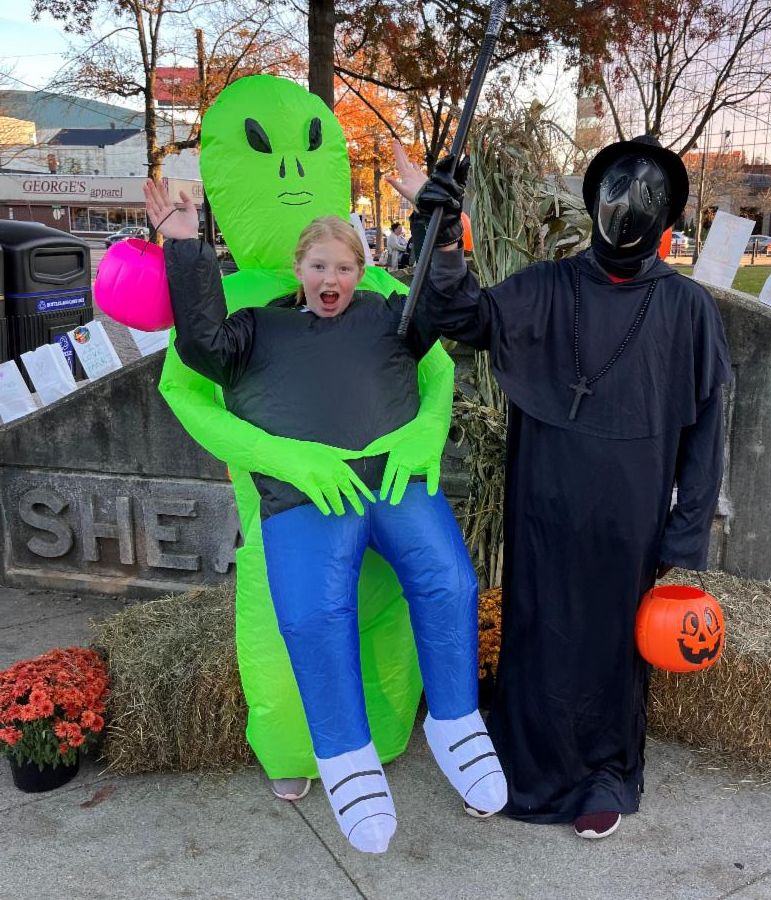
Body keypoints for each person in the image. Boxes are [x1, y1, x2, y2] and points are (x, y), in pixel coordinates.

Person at [145, 184, 507, 854]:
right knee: (314, 614)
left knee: (450, 583)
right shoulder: (258, 327)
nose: (331, 279)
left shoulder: (388, 315)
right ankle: (345, 756)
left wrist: (437, 225)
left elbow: (443, 311)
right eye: (319, 267)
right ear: (298, 269)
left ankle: (456, 723)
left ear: (359, 270)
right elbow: (199, 347)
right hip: (306, 498)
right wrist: (185, 244)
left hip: (394, 482)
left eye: (343, 267)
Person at [388, 135, 731, 839]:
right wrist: (442, 235)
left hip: (629, 515)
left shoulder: (688, 310)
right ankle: (519, 759)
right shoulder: (546, 286)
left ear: (663, 220)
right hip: (543, 499)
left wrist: (683, 534)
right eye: (613, 198)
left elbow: (706, 430)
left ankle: (603, 772)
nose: (624, 216)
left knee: (609, 642)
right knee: (537, 629)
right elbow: (460, 317)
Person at [155, 76, 455, 811]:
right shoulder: (231, 298)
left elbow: (437, 361)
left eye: (308, 149)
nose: (290, 169)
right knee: (293, 622)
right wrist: (282, 457)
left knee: (383, 616)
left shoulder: (377, 287)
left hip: (383, 495)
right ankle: (296, 747)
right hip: (286, 508)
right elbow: (185, 387)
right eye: (264, 151)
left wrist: (427, 433)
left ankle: (383, 738)